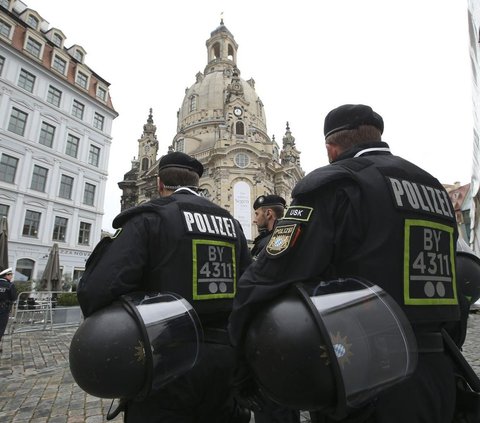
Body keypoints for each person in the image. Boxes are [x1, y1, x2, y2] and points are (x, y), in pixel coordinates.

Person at [229, 104, 461, 423]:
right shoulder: (434, 189)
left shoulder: (335, 184)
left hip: (365, 375)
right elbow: (454, 281)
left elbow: (264, 279)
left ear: (331, 148)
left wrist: (243, 367)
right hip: (436, 375)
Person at [77, 151, 252, 423]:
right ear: (198, 183)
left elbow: (98, 289)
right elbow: (249, 287)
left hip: (165, 359)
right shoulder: (232, 225)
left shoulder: (150, 218)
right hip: (223, 361)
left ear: (159, 184)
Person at [251, 194, 286, 259]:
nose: (254, 220)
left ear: (268, 214)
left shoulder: (268, 244)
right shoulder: (285, 238)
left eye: (257, 214)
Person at [0, 267, 17, 352]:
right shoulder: (10, 285)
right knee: (1, 327)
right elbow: (14, 297)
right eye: (10, 275)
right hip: (3, 309)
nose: (11, 276)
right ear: (6, 275)